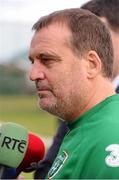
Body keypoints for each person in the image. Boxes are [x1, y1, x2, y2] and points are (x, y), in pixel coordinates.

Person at [29, 7, 119, 178]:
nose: (33, 75)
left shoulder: (109, 140)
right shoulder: (85, 124)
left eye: (47, 60)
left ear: (91, 64)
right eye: (32, 62)